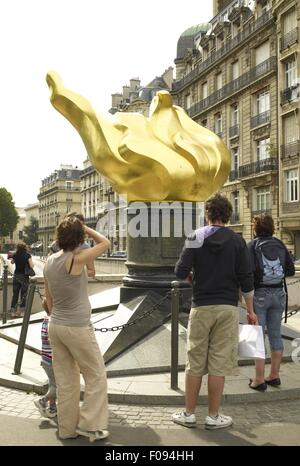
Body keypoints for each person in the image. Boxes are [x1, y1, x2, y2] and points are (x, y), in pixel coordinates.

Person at [172, 193, 257, 430]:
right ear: (228, 215)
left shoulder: (195, 236)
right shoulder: (237, 241)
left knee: (195, 360)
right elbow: (246, 279)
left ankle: (188, 414)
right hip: (228, 307)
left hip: (201, 306)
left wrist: (193, 278)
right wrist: (250, 310)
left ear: (207, 214)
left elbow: (180, 272)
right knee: (219, 363)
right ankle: (213, 416)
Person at [44, 216, 110, 441]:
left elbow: (49, 300)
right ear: (79, 238)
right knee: (97, 375)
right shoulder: (77, 258)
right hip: (77, 327)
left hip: (56, 325)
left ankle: (67, 429)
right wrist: (87, 228)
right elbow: (105, 243)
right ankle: (90, 425)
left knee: (66, 382)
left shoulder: (51, 261)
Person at [247, 213, 295, 390]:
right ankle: (274, 376)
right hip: (279, 293)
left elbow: (248, 273)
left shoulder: (252, 246)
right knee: (275, 334)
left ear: (256, 228)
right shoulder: (280, 244)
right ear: (272, 227)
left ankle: (259, 379)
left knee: (257, 337)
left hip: (259, 294)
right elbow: (290, 270)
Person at [49, 213, 96, 278]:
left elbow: (92, 271)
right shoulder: (55, 245)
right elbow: (49, 267)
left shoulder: (86, 247)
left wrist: (76, 270)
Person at [34, 298, 57, 419]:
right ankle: (43, 400)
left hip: (45, 359)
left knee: (52, 384)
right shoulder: (53, 321)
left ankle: (52, 409)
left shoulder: (45, 319)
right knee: (58, 386)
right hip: (51, 360)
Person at [9, 241, 35, 318]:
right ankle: (22, 312)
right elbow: (31, 265)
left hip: (16, 276)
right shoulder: (27, 255)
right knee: (23, 295)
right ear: (25, 247)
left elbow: (12, 262)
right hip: (24, 277)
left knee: (15, 294)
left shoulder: (15, 254)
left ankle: (13, 312)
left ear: (17, 247)